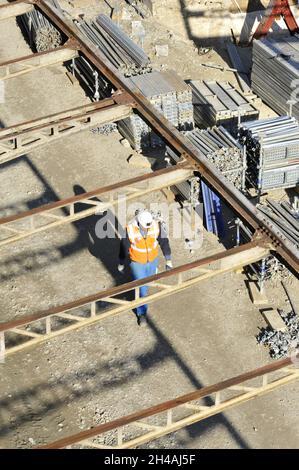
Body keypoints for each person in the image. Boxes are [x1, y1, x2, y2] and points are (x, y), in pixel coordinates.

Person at [118, 209, 172, 326]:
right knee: (141, 288)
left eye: (148, 226)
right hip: (137, 262)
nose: (147, 229)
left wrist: (168, 260)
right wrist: (121, 262)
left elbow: (164, 242)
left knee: (148, 282)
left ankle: (150, 276)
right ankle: (141, 313)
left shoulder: (155, 226)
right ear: (139, 222)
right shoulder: (130, 230)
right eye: (145, 227)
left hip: (152, 260)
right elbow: (124, 247)